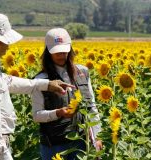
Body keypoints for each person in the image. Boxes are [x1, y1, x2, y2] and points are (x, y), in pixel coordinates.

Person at [0, 13, 73, 160]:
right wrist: (1, 153)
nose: (8, 46)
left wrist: (46, 84)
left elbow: (5, 81)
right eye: (6, 41)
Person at [31, 28, 102, 160]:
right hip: (54, 145)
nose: (61, 55)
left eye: (64, 50)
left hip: (81, 141)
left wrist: (96, 136)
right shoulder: (41, 80)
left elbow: (91, 106)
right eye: (56, 52)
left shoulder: (82, 72)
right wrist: (58, 113)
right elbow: (36, 115)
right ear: (48, 52)